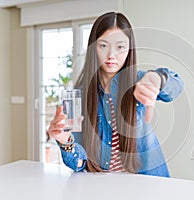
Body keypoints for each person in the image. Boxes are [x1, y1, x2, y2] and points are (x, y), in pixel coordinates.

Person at [47, 12, 183, 177]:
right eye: (103, 45)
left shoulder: (139, 81)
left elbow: (177, 84)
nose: (111, 55)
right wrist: (65, 141)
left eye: (120, 47)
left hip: (147, 183)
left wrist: (158, 78)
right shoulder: (81, 96)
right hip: (103, 186)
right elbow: (79, 163)